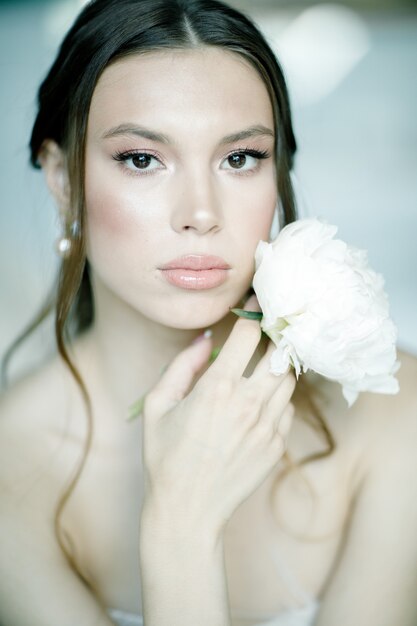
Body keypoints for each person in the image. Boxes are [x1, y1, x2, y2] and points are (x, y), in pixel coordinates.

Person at [0, 0, 416, 625]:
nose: (200, 210)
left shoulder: (393, 409)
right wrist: (181, 527)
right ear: (62, 180)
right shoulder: (13, 474)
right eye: (142, 159)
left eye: (240, 157)